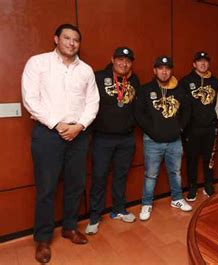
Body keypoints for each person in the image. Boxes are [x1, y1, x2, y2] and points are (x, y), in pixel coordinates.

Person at [21, 24, 99, 263]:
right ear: (56, 39)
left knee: (76, 185)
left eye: (76, 39)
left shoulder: (86, 70)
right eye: (67, 38)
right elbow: (30, 98)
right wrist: (57, 124)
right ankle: (43, 239)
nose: (72, 43)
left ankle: (69, 227)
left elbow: (92, 102)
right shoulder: (38, 63)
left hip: (79, 134)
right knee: (46, 188)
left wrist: (79, 126)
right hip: (47, 135)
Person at [85, 47, 140, 235]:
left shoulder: (134, 80)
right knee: (99, 177)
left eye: (128, 61)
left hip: (126, 138)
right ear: (112, 59)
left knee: (121, 176)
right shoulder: (98, 77)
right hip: (103, 138)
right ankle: (95, 215)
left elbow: (137, 107)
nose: (124, 64)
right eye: (120, 59)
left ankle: (119, 209)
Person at [135, 56, 192, 221]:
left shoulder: (179, 90)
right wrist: (152, 131)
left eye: (167, 68)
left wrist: (179, 128)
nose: (164, 72)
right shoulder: (146, 89)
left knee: (175, 172)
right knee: (151, 174)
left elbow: (187, 111)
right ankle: (146, 203)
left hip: (174, 140)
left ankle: (177, 199)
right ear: (155, 70)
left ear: (171, 71)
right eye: (160, 68)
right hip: (152, 141)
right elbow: (139, 114)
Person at [180, 51, 218, 201]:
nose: (203, 64)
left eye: (205, 61)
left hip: (210, 128)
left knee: (209, 158)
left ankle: (208, 185)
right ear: (194, 64)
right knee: (192, 159)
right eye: (199, 61)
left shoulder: (215, 82)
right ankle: (192, 187)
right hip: (192, 129)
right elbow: (183, 107)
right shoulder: (185, 81)